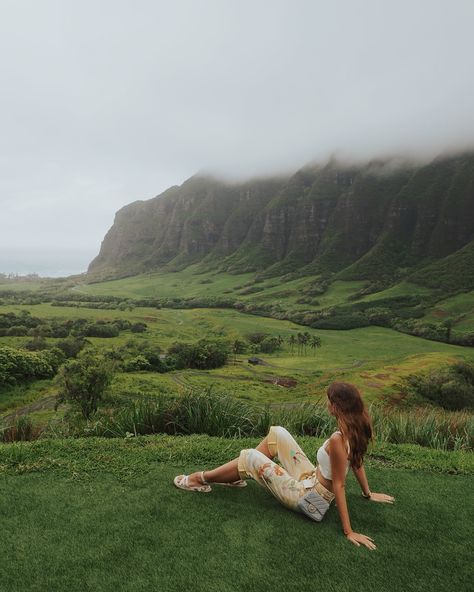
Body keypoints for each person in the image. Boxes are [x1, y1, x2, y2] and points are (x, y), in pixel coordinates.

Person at [174, 381, 394, 550]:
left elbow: (339, 485)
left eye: (328, 400)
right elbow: (357, 462)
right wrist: (368, 493)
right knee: (277, 433)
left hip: (311, 501)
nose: (326, 403)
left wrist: (349, 532)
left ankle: (198, 479)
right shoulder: (356, 429)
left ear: (336, 406)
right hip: (311, 481)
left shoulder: (339, 438)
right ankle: (236, 475)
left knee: (251, 456)